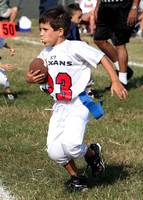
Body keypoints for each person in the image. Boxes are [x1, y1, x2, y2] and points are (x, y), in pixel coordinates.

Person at [25, 5, 128, 192]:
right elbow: (32, 74)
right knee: (55, 152)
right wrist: (29, 79)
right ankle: (77, 179)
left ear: (60, 31)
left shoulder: (75, 46)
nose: (41, 33)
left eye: (45, 30)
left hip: (78, 103)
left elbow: (101, 57)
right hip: (59, 106)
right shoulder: (45, 53)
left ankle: (92, 154)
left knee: (72, 146)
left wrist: (115, 80)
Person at [94, 0, 140, 88]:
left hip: (121, 5)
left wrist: (134, 7)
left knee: (120, 43)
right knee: (99, 40)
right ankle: (123, 69)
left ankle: (123, 81)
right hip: (104, 6)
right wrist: (97, 7)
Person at [66, 3, 103, 98]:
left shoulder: (64, 24)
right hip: (72, 53)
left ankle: (50, 86)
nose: (80, 20)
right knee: (85, 66)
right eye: (78, 17)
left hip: (64, 52)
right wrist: (83, 42)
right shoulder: (73, 25)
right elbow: (76, 42)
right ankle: (89, 90)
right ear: (70, 17)